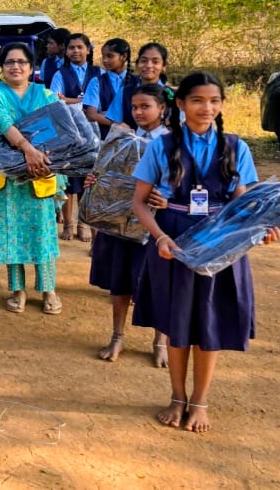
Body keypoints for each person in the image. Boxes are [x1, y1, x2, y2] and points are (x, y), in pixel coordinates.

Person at [131, 71, 271, 433]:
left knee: (209, 323)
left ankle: (201, 401)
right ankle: (177, 397)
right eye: (197, 100)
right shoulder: (161, 147)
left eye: (214, 101)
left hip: (220, 244)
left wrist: (262, 228)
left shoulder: (235, 147)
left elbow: (245, 204)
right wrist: (160, 237)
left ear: (222, 105)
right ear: (179, 105)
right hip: (174, 243)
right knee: (178, 323)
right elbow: (140, 203)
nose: (206, 108)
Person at [0, 42, 63, 317]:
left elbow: (58, 130)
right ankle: (18, 290)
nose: (16, 67)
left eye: (22, 62)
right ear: (1, 68)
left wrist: (41, 159)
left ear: (31, 67)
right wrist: (28, 149)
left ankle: (49, 290)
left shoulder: (45, 95)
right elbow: (2, 122)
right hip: (5, 177)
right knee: (13, 233)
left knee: (43, 233)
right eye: (10, 62)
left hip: (40, 172)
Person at [87, 83, 171, 365]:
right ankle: (117, 336)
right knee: (119, 280)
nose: (138, 112)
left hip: (158, 226)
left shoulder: (173, 144)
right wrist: (94, 183)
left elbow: (184, 186)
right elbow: (105, 174)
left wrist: (166, 198)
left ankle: (161, 341)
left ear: (162, 108)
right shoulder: (121, 139)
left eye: (145, 106)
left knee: (159, 283)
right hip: (120, 224)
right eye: (134, 107)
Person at [49, 32, 100, 242]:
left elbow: (95, 105)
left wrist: (71, 99)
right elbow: (55, 101)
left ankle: (83, 226)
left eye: (80, 47)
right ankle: (68, 225)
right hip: (69, 132)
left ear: (88, 50)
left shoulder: (99, 73)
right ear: (66, 51)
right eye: (71, 48)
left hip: (94, 132)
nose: (76, 51)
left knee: (89, 180)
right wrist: (81, 102)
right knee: (70, 179)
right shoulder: (60, 73)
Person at [109, 43, 172, 128]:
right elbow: (115, 123)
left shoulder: (172, 95)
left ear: (164, 66)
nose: (149, 65)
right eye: (144, 61)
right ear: (137, 64)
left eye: (155, 62)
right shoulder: (124, 93)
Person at [84, 38, 136, 137]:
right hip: (105, 136)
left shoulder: (136, 81)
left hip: (132, 136)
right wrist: (118, 124)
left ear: (124, 56)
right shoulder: (97, 82)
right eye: (103, 56)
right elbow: (91, 115)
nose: (105, 60)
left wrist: (104, 115)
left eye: (110, 56)